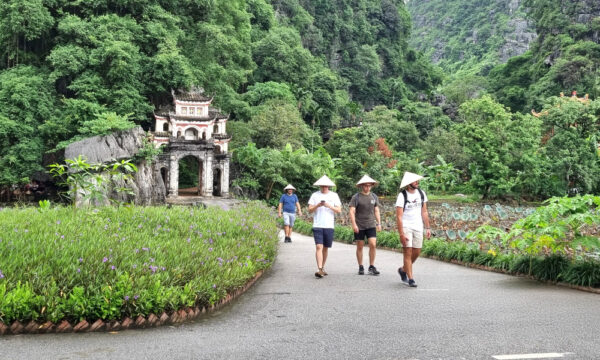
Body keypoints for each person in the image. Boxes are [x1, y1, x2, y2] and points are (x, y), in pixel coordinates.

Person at [395, 172, 431, 287]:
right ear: (408, 183)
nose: (417, 182)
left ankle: (403, 269)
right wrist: (401, 233)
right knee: (408, 252)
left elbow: (424, 211)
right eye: (414, 181)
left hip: (418, 226)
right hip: (406, 226)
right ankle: (411, 279)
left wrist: (428, 227)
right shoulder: (402, 196)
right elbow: (399, 216)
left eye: (417, 180)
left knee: (417, 252)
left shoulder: (421, 194)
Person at [308, 175, 342, 278]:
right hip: (318, 225)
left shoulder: (334, 195)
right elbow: (309, 210)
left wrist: (328, 206)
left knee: (325, 248)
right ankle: (319, 268)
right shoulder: (314, 195)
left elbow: (339, 210)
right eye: (322, 186)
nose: (324, 188)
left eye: (326, 186)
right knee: (319, 246)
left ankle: (322, 267)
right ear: (320, 186)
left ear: (329, 186)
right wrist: (318, 205)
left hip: (329, 225)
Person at [349, 175, 382, 275]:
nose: (367, 187)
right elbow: (351, 211)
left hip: (371, 224)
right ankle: (361, 266)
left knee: (373, 244)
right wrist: (354, 225)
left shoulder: (374, 196)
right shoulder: (356, 197)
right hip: (360, 225)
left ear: (371, 186)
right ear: (362, 186)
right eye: (365, 186)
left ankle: (371, 266)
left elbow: (376, 210)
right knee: (360, 246)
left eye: (369, 186)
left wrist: (379, 223)